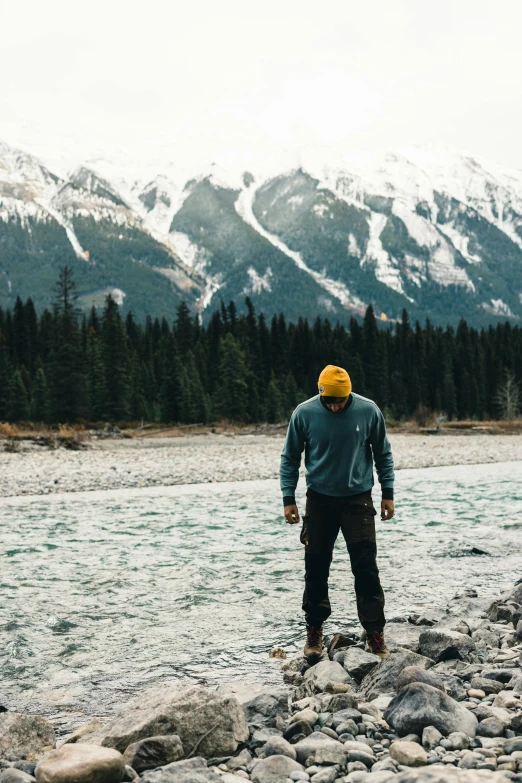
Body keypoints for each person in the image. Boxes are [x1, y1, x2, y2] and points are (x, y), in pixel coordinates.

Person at [280, 364, 394, 662]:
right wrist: (287, 498)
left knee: (365, 566)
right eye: (328, 401)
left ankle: (374, 633)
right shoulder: (304, 414)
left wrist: (388, 493)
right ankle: (315, 630)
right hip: (318, 502)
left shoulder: (368, 411)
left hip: (357, 500)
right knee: (316, 568)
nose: (333, 406)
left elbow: (383, 453)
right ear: (320, 394)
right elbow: (290, 457)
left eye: (339, 401)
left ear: (348, 395)